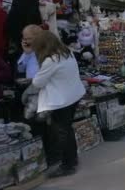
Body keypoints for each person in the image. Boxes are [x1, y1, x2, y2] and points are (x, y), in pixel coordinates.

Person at [31, 31, 85, 178]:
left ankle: (67, 165)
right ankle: (71, 160)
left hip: (61, 101)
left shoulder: (51, 60)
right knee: (67, 130)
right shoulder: (68, 53)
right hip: (72, 96)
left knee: (62, 132)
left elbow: (37, 82)